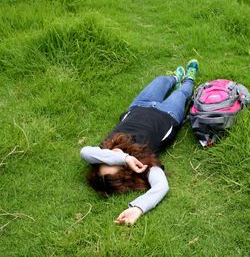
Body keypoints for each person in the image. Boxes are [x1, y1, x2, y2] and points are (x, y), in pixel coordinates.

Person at [80, 60, 199, 225]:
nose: (115, 155)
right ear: (127, 171)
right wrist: (138, 208)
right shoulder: (144, 164)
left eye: (107, 159)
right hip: (168, 114)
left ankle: (174, 78)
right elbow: (161, 186)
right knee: (182, 93)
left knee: (160, 81)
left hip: (139, 106)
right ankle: (189, 80)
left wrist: (123, 159)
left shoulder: (107, 147)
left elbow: (84, 152)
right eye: (116, 162)